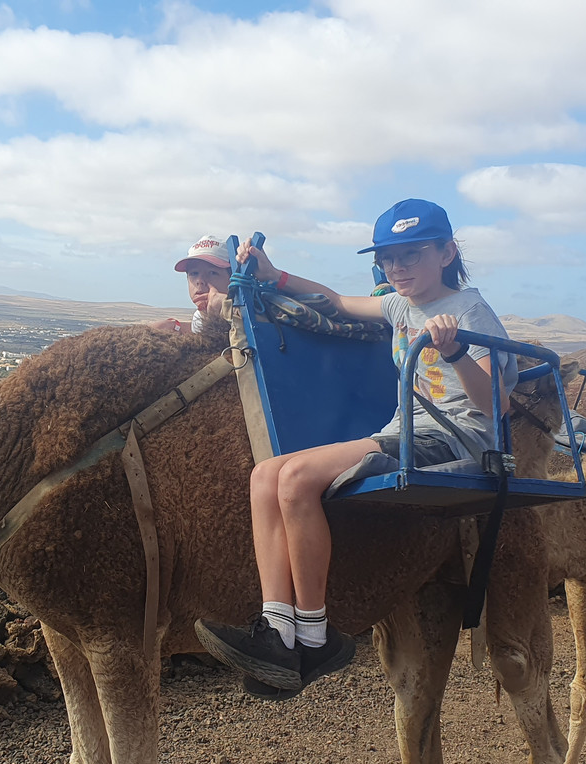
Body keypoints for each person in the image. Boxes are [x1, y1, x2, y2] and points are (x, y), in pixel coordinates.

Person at [194, 198, 517, 698]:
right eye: (388, 258)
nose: (397, 267)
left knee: (296, 479)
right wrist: (276, 276)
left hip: (455, 439)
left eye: (411, 254)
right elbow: (337, 301)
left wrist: (455, 351)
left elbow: (497, 405)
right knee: (264, 475)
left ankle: (315, 637)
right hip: (407, 431)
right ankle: (277, 630)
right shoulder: (400, 305)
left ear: (447, 252)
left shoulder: (470, 311)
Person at [151, 235, 232, 335]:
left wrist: (230, 308)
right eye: (194, 273)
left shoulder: (246, 315)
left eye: (212, 273)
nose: (200, 281)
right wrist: (174, 326)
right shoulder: (200, 317)